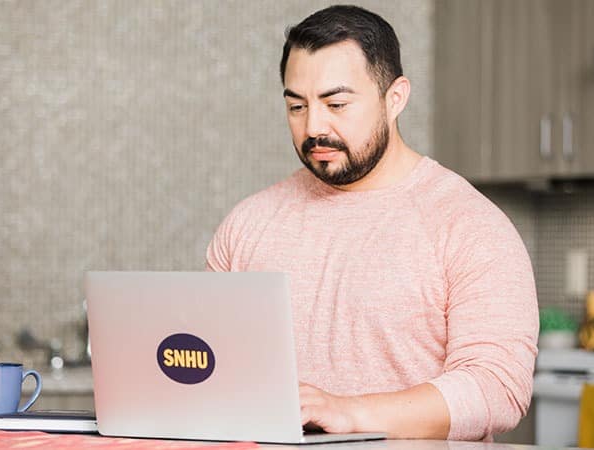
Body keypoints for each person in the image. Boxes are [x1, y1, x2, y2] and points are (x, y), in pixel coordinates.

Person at [206, 5, 538, 441]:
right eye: (297, 106)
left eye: (337, 103)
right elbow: (210, 367)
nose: (314, 127)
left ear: (395, 97)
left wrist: (350, 413)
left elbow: (497, 388)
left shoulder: (470, 225)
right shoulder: (248, 224)